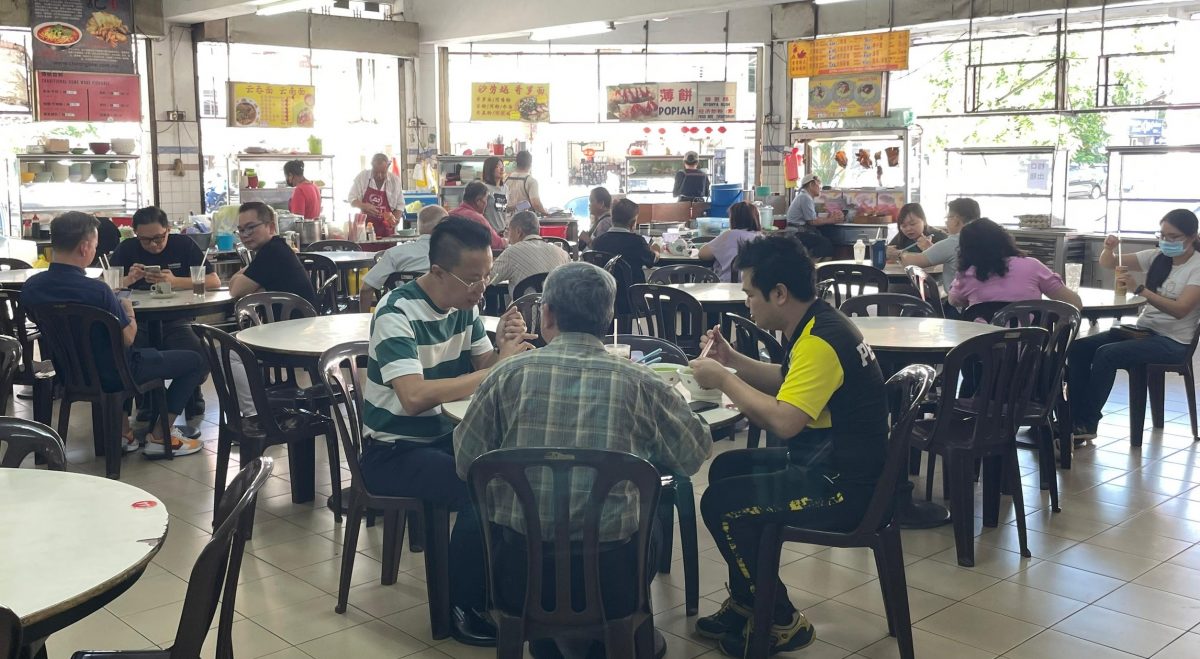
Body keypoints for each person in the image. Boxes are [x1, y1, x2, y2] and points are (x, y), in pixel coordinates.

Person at [454, 261, 711, 658]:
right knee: (653, 519)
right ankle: (612, 638)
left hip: (519, 572)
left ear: (548, 313)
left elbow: (466, 462)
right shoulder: (641, 382)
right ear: (608, 317)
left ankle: (551, 639)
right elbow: (694, 454)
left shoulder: (506, 376)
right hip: (613, 575)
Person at [688, 235, 887, 657]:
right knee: (726, 471)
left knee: (721, 503)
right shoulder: (819, 323)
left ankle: (779, 619)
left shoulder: (819, 342)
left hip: (843, 488)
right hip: (834, 465)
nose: (747, 304)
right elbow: (787, 382)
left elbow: (784, 420)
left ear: (779, 293)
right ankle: (748, 603)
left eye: (751, 294)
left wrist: (723, 380)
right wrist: (732, 360)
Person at [361, 216, 533, 648]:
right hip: (393, 450)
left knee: (513, 473)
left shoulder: (465, 308)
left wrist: (504, 350)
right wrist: (498, 368)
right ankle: (461, 604)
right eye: (473, 279)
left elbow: (483, 369)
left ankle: (506, 592)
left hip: (446, 437)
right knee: (481, 488)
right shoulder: (396, 312)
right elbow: (413, 397)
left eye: (487, 275)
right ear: (438, 271)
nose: (482, 288)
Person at [23, 212, 207, 457]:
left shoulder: (32, 288)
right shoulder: (98, 291)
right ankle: (161, 436)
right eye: (96, 245)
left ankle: (123, 433)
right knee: (197, 360)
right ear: (85, 247)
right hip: (118, 374)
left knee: (114, 357)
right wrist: (128, 311)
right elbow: (128, 338)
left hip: (66, 372)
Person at [1069, 209, 1200, 443]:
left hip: (1173, 341)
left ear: (1192, 237)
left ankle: (1087, 422)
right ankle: (1072, 418)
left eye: (1173, 236)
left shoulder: (1196, 267)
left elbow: (1181, 310)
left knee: (1106, 354)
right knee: (1079, 348)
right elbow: (1109, 262)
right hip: (1143, 331)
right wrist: (1108, 247)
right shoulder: (1157, 256)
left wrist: (1140, 290)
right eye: (1162, 235)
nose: (1166, 241)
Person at [112, 206, 221, 436]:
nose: (153, 245)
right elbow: (106, 286)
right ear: (135, 235)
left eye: (159, 238)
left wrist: (175, 281)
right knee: (124, 357)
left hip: (176, 319)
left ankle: (183, 401)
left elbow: (213, 281)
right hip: (136, 322)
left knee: (201, 355)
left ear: (168, 231)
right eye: (146, 240)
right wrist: (128, 279)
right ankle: (145, 402)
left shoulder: (183, 245)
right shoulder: (126, 249)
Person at [947, 218, 1083, 310]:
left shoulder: (967, 275)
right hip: (1032, 350)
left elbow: (953, 301)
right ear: (1004, 238)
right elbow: (1075, 303)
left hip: (983, 350)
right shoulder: (1032, 266)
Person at [358, 204, 448, 311]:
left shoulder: (395, 254)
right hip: (443, 319)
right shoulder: (454, 254)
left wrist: (366, 320)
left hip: (402, 316)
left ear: (419, 226)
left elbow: (366, 288)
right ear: (444, 226)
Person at [228, 202, 316, 303]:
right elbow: (235, 287)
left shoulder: (272, 252)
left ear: (271, 227)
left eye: (251, 227)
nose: (245, 235)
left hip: (296, 319)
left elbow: (236, 291)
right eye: (241, 230)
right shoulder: (276, 247)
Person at [899, 197, 980, 288]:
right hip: (988, 297)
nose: (946, 222)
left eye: (948, 218)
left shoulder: (953, 242)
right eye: (903, 225)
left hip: (959, 299)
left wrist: (900, 254)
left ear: (956, 219)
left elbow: (912, 262)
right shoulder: (989, 237)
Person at [489, 211, 569, 298]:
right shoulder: (563, 254)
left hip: (524, 310)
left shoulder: (512, 252)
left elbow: (488, 279)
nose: (508, 237)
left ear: (518, 231)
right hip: (558, 310)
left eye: (509, 231)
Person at [590, 198, 659, 285]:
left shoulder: (598, 242)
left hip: (607, 292)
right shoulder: (637, 242)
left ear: (612, 219)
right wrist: (656, 250)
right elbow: (651, 260)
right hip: (632, 293)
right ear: (633, 223)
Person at [698, 201, 763, 282]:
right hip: (753, 288)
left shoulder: (730, 235)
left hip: (726, 287)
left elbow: (702, 254)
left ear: (734, 219)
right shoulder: (761, 238)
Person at [349, 153, 404, 238]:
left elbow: (400, 205)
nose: (379, 175)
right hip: (365, 231)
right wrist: (363, 206)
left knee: (387, 251)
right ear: (372, 165)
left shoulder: (395, 181)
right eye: (376, 172)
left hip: (387, 232)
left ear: (388, 167)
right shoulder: (362, 177)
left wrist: (394, 220)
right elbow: (351, 199)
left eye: (383, 172)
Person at [783, 174, 834, 259]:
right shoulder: (805, 197)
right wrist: (831, 220)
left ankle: (810, 262)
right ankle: (811, 266)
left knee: (822, 238)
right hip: (796, 233)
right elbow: (812, 221)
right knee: (825, 244)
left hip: (799, 231)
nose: (820, 188)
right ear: (811, 185)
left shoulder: (804, 196)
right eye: (818, 184)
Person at [452, 181, 506, 251]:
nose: (486, 203)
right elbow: (497, 244)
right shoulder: (478, 219)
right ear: (478, 201)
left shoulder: (450, 214)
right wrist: (507, 241)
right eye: (486, 199)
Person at [503, 150, 548, 215]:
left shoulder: (506, 180)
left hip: (509, 220)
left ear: (516, 163)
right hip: (525, 220)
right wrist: (545, 212)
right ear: (530, 164)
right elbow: (536, 203)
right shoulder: (531, 181)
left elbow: (503, 205)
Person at [480, 155, 508, 235]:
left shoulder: (505, 188)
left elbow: (502, 209)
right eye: (497, 167)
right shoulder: (484, 188)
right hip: (488, 233)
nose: (502, 169)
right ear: (490, 169)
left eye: (502, 166)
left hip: (502, 232)